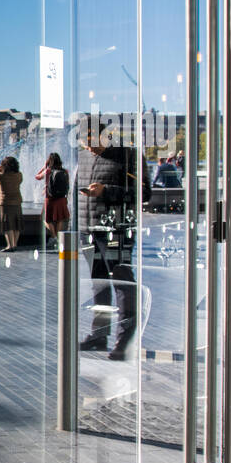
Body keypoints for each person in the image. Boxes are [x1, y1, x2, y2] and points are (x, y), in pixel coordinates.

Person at [77, 123, 151, 361]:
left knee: (122, 285)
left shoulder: (128, 155)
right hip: (88, 230)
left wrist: (106, 191)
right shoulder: (85, 156)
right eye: (84, 142)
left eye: (92, 141)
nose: (89, 147)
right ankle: (99, 335)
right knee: (98, 286)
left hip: (115, 231)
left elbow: (144, 193)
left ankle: (124, 339)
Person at [0, 155, 23, 252]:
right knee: (16, 224)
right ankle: (15, 244)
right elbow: (19, 182)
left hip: (5, 202)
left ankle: (9, 245)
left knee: (7, 224)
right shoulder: (19, 175)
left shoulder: (1, 175)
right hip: (17, 201)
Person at [34, 152, 70, 240]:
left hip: (50, 198)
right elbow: (68, 185)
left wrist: (44, 167)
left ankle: (54, 237)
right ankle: (58, 238)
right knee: (60, 219)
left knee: (45, 218)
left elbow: (37, 177)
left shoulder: (48, 171)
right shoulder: (65, 171)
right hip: (62, 198)